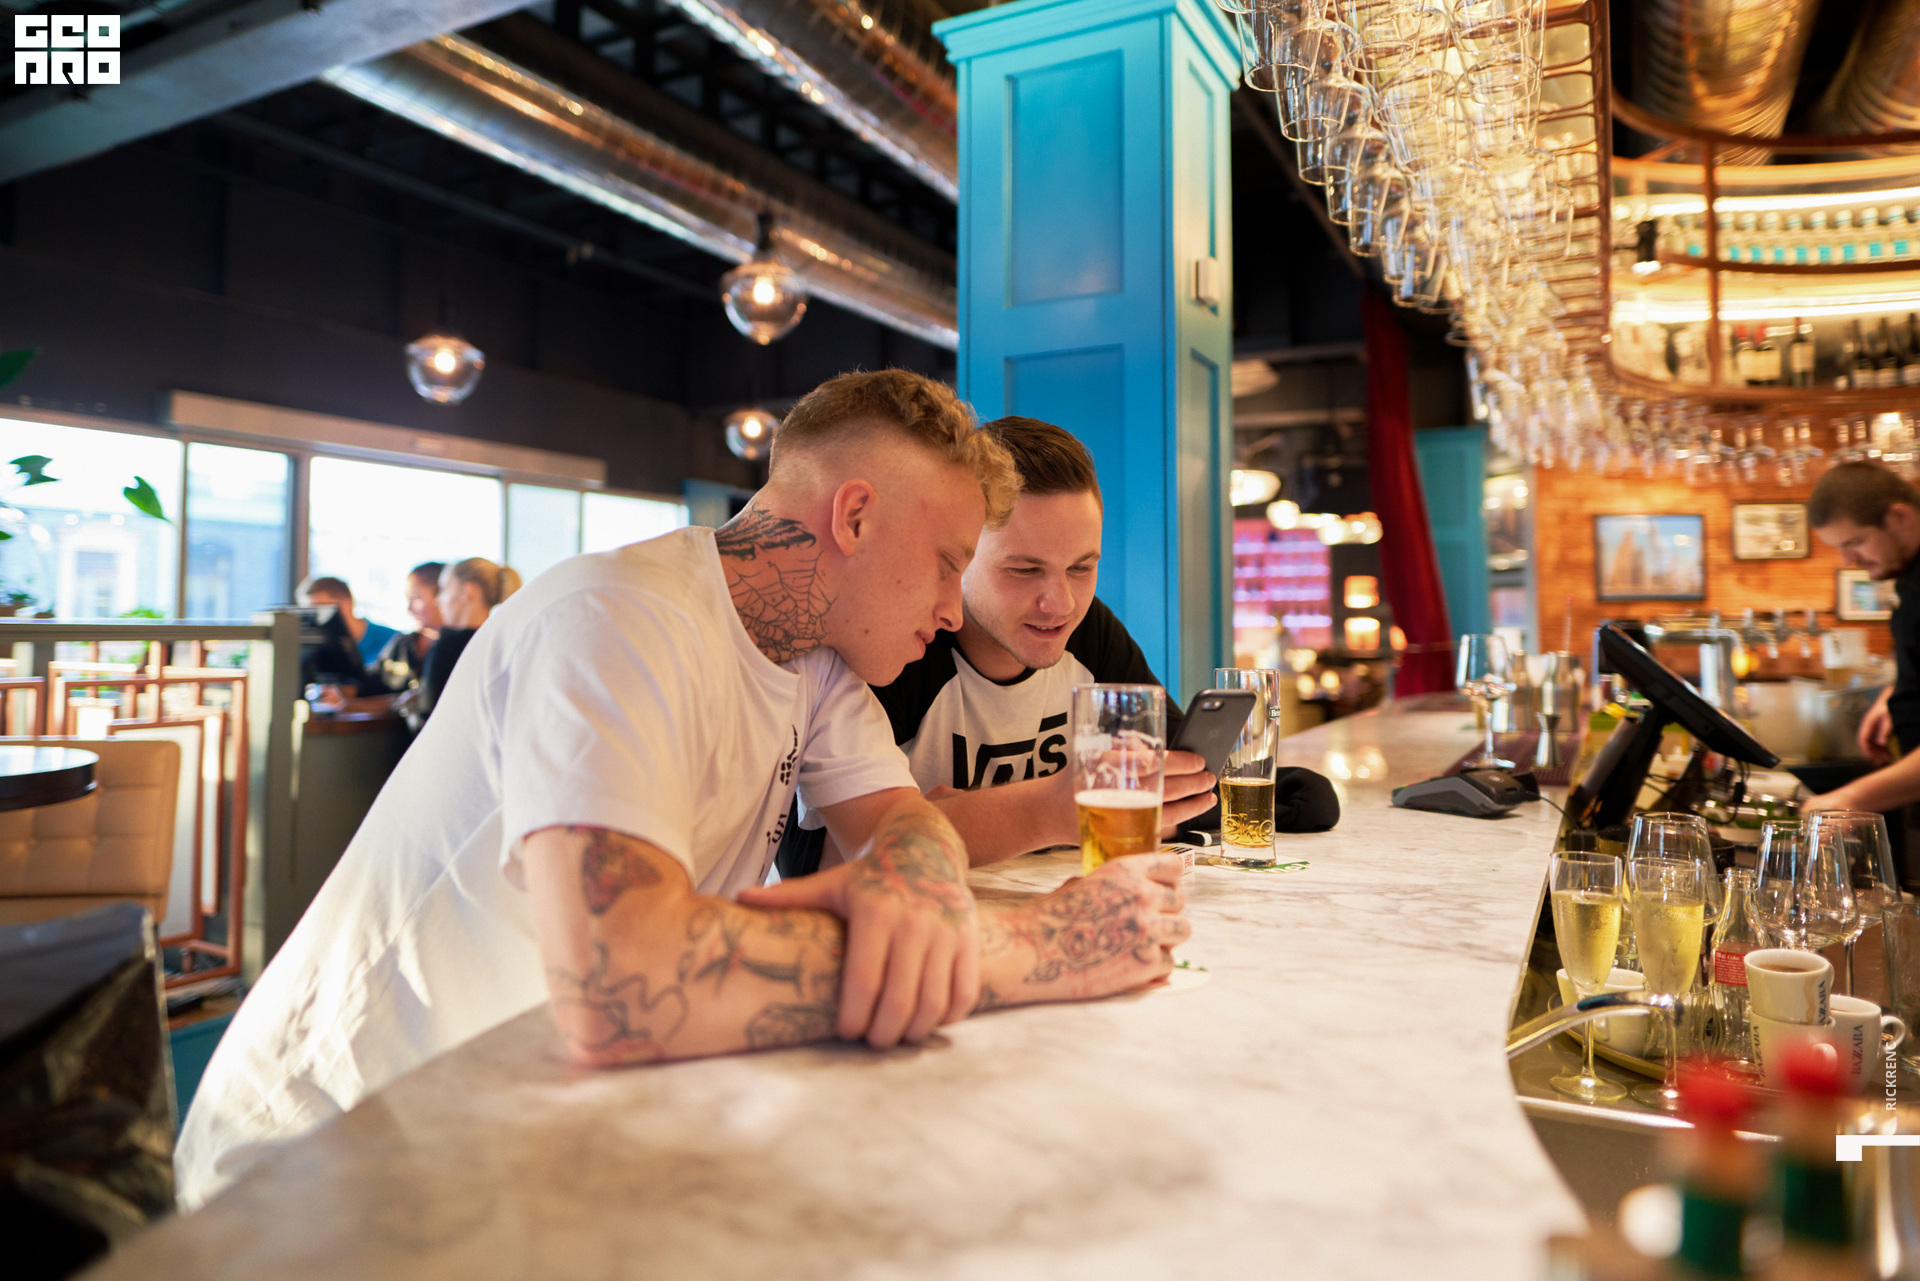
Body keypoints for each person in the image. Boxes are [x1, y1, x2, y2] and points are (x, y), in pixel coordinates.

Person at [176, 369, 1191, 1208]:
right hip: (324, 1162)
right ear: (854, 515)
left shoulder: (818, 667)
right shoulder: (615, 620)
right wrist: (1024, 949)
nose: (949, 605)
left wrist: (914, 879)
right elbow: (624, 986)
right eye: (943, 563)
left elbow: (903, 820)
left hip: (521, 1126)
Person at [778, 416, 1225, 877]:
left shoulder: (1087, 630)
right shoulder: (901, 644)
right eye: (1024, 570)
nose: (1061, 604)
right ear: (961, 555)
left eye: (1081, 568)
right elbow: (814, 862)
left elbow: (1195, 794)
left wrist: (967, 818)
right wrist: (1053, 812)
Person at [1806, 461, 1920, 814]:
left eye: (1855, 542)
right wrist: (1898, 693)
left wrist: (1850, 800)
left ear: (1900, 517)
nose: (1848, 559)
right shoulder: (1909, 578)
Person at [414, 557, 520, 716]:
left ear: (467, 591)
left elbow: (428, 714)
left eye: (444, 589)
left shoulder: (447, 646)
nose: (437, 600)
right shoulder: (505, 641)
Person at [373, 561, 445, 694]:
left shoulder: (458, 647)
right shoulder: (403, 643)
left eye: (416, 598)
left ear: (442, 596)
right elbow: (371, 681)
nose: (409, 609)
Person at [300, 575, 399, 668]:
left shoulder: (393, 640)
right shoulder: (319, 647)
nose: (316, 617)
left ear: (348, 603)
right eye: (310, 612)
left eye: (322, 608)